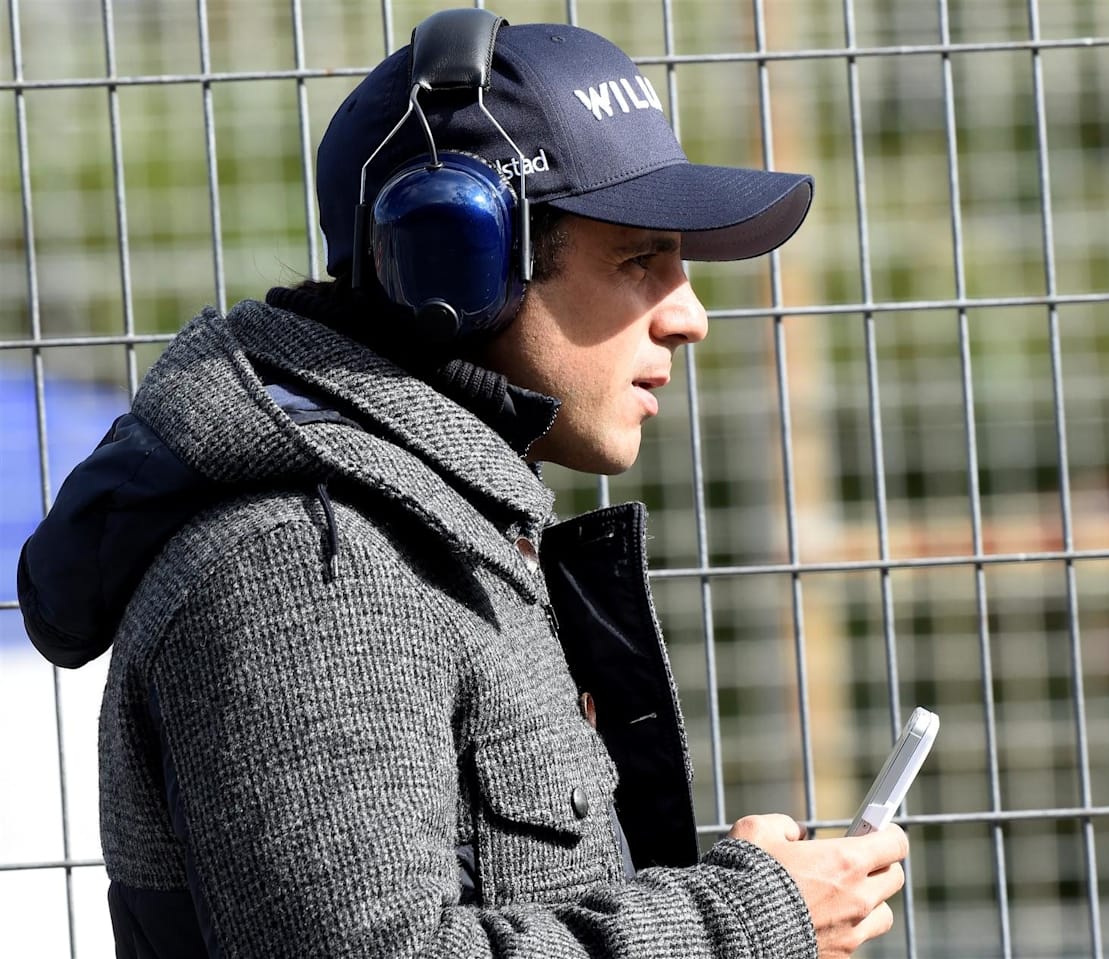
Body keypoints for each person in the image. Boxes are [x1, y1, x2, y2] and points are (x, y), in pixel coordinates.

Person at [17, 9, 908, 958]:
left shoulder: (429, 532)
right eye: (641, 258)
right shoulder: (313, 564)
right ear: (460, 260)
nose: (688, 315)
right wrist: (741, 923)